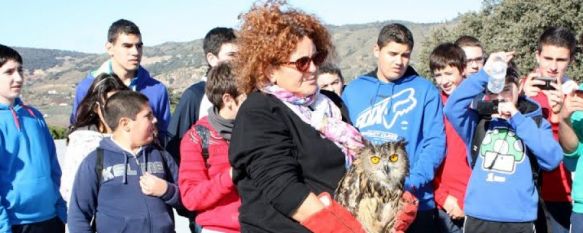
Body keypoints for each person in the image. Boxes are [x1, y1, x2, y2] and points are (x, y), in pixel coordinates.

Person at [228, 2, 417, 232]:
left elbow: (358, 169)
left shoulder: (330, 103)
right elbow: (283, 189)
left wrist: (389, 205)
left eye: (316, 58)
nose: (312, 69)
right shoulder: (259, 112)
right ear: (270, 70)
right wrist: (342, 228)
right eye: (301, 62)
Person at [342, 23, 445, 233]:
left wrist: (411, 181)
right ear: (376, 50)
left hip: (413, 202)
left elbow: (435, 143)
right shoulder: (353, 90)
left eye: (405, 55)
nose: (399, 61)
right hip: (365, 205)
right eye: (393, 53)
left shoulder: (425, 91)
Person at [444, 52, 562, 233]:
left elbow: (552, 159)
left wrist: (517, 119)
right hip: (478, 217)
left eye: (506, 90)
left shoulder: (535, 123)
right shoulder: (477, 122)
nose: (499, 98)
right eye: (492, 91)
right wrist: (484, 73)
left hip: (520, 219)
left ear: (520, 87)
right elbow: (452, 107)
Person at [67, 91, 181, 233]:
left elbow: (188, 200)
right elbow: (78, 217)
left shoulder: (160, 155)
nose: (155, 120)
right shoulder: (95, 161)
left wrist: (166, 190)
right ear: (125, 123)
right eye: (148, 116)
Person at [70, 19, 171, 144]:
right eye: (127, 46)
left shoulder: (157, 90)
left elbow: (163, 137)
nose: (135, 52)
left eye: (139, 46)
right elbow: (78, 135)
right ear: (109, 48)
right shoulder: (87, 88)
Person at [0, 44, 66, 233]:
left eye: (20, 70)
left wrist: (60, 208)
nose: (18, 78)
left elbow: (53, 164)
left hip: (50, 218)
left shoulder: (34, 116)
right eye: (9, 72)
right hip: (14, 223)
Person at [520, 26, 578, 233]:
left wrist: (561, 115)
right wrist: (521, 100)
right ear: (537, 56)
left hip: (561, 192)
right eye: (548, 58)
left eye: (561, 60)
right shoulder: (518, 89)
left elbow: (574, 148)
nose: (553, 67)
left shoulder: (575, 95)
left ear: (570, 60)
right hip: (522, 190)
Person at [179, 62, 245, 233]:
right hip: (221, 229)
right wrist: (230, 176)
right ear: (228, 100)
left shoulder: (262, 129)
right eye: (248, 96)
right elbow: (191, 198)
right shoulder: (196, 139)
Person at [166, 27, 237, 163]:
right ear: (212, 59)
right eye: (232, 55)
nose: (238, 61)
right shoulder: (195, 95)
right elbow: (175, 148)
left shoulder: (249, 93)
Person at [60, 73, 128, 205]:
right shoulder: (82, 143)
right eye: (110, 106)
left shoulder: (135, 138)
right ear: (97, 108)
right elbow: (69, 190)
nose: (117, 112)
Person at [429, 43, 469, 233]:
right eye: (438, 75)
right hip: (446, 203)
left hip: (476, 202)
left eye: (449, 73)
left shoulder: (478, 104)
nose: (443, 81)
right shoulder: (433, 107)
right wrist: (443, 197)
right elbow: (428, 158)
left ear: (463, 70)